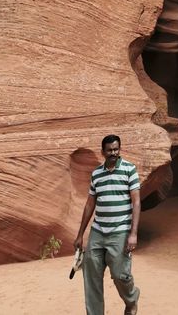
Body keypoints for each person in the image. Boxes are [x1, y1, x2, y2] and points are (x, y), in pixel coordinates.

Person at [74, 135, 141, 315]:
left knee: (120, 274)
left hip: (120, 231)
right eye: (110, 150)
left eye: (116, 149)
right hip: (98, 231)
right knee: (91, 276)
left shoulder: (129, 169)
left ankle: (131, 299)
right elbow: (90, 204)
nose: (113, 153)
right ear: (102, 152)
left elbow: (136, 202)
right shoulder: (97, 173)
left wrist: (133, 233)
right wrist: (80, 234)